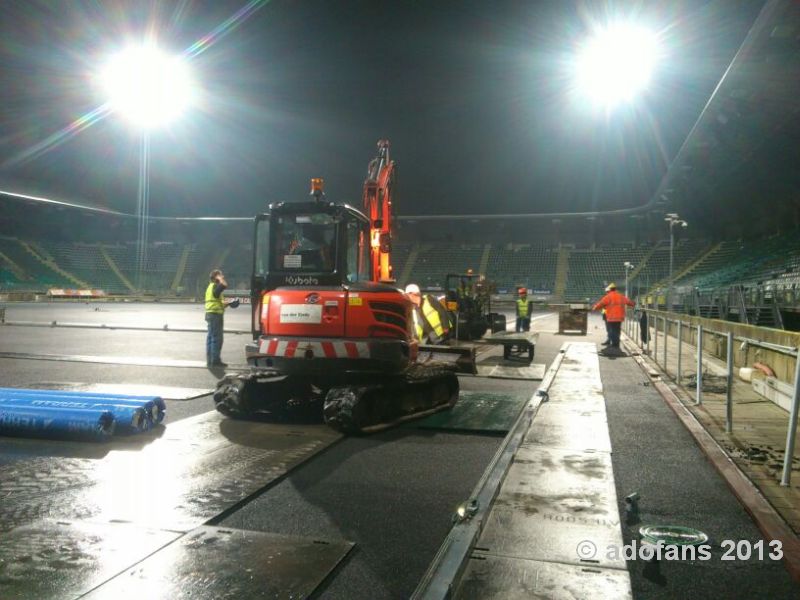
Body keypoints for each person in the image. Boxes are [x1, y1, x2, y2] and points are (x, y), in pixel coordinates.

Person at [204, 269, 239, 368]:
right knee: (217, 339)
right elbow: (224, 285)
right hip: (215, 315)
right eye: (220, 275)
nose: (223, 276)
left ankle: (210, 360)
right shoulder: (215, 285)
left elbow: (218, 301)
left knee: (211, 337)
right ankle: (215, 361)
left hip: (210, 314)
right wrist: (220, 279)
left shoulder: (211, 287)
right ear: (216, 277)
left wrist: (230, 303)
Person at [593, 282, 634, 354]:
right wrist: (633, 304)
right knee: (617, 331)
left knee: (612, 331)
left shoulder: (607, 297)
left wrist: (594, 308)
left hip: (611, 318)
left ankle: (614, 346)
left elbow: (600, 304)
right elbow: (630, 303)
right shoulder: (621, 296)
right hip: (619, 318)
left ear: (609, 290)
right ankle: (616, 345)